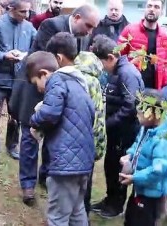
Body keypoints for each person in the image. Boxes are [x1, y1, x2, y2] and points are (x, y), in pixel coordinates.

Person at [9, 4, 100, 205]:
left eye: (93, 27)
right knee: (30, 137)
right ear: (76, 17)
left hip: (59, 89)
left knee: (55, 134)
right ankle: (28, 185)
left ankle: (46, 177)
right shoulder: (50, 25)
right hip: (36, 86)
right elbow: (45, 61)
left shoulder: (83, 36)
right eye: (88, 25)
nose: (90, 31)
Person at [27, 51, 95, 225]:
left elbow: (49, 114)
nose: (39, 89)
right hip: (83, 162)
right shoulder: (78, 85)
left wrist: (33, 120)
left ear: (43, 74)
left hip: (65, 165)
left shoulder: (56, 81)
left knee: (58, 216)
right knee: (76, 210)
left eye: (36, 84)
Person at [45, 32, 106, 218]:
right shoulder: (94, 80)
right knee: (79, 205)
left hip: (69, 152)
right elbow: (98, 117)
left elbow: (52, 113)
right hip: (89, 146)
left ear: (59, 58)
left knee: (60, 213)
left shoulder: (65, 80)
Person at [90, 34, 144, 218]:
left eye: (101, 62)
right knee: (110, 166)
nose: (101, 68)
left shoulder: (127, 74)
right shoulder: (116, 72)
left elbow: (131, 107)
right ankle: (110, 198)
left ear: (111, 58)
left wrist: (107, 124)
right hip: (115, 132)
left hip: (124, 132)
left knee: (118, 168)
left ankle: (116, 206)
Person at [120, 89, 167, 226]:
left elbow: (158, 170)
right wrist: (130, 154)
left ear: (154, 114)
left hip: (152, 193)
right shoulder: (147, 128)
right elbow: (138, 143)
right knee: (131, 218)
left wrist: (134, 178)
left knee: (143, 221)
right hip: (141, 187)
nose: (137, 115)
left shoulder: (164, 140)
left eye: (140, 111)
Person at [0, 0, 36, 170]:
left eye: (28, 11)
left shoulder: (29, 28)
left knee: (16, 117)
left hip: (19, 81)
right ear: (10, 9)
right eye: (22, 12)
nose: (26, 15)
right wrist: (3, 55)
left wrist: (27, 56)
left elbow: (36, 49)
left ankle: (12, 146)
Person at [118, 0, 167, 90]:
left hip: (154, 88)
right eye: (149, 6)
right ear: (145, 8)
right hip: (132, 85)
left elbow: (166, 63)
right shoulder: (130, 30)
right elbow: (119, 56)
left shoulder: (165, 37)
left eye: (156, 7)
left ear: (161, 12)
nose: (152, 9)